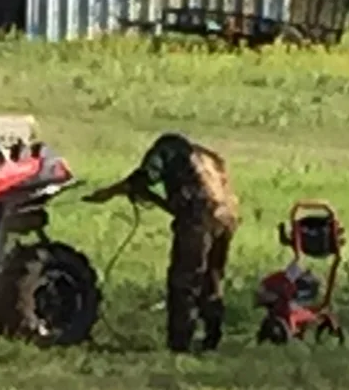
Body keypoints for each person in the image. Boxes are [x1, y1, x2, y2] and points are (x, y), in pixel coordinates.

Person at [85, 133, 239, 352]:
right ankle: (212, 338)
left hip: (198, 216)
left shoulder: (166, 148)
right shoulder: (205, 157)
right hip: (227, 216)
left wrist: (108, 193)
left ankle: (180, 344)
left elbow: (143, 177)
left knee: (185, 280)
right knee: (212, 278)